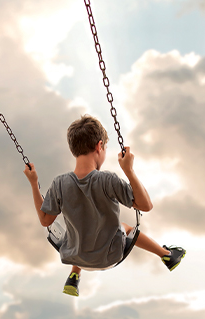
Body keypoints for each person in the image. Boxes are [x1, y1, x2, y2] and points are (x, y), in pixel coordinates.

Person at [23, 115, 186, 297]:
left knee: (79, 227)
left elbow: (45, 221)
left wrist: (33, 183)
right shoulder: (108, 180)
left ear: (73, 149)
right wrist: (129, 171)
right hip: (110, 257)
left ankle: (74, 275)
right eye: (105, 148)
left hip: (75, 256)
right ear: (99, 146)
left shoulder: (59, 183)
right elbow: (146, 205)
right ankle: (166, 255)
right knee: (125, 227)